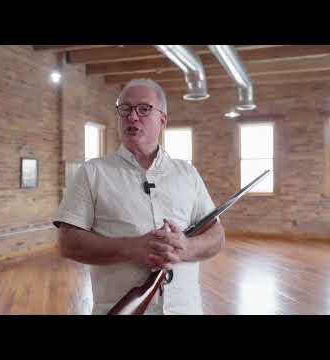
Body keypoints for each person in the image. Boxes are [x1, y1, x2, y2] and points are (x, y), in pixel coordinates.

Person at [53, 79, 225, 315]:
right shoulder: (92, 172)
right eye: (125, 109)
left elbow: (216, 236)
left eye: (144, 109)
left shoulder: (188, 174)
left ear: (162, 120)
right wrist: (132, 248)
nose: (132, 117)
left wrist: (186, 247)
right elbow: (68, 242)